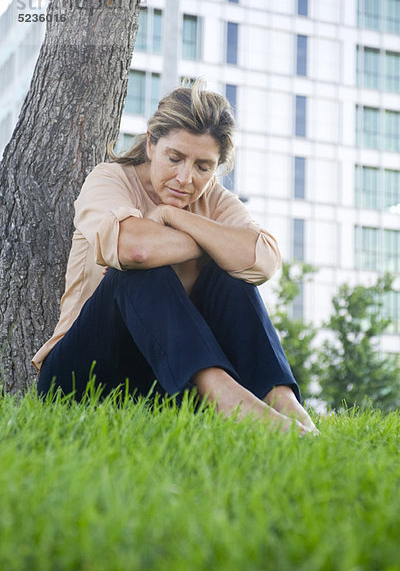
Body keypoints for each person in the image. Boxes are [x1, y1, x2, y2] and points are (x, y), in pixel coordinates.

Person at [34, 79, 317, 435]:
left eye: (203, 167)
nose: (185, 178)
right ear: (152, 143)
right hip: (81, 375)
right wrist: (211, 243)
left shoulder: (213, 199)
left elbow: (263, 259)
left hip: (162, 378)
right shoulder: (109, 180)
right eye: (175, 158)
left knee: (230, 278)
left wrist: (175, 217)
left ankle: (284, 403)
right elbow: (134, 248)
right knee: (139, 269)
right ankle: (228, 399)